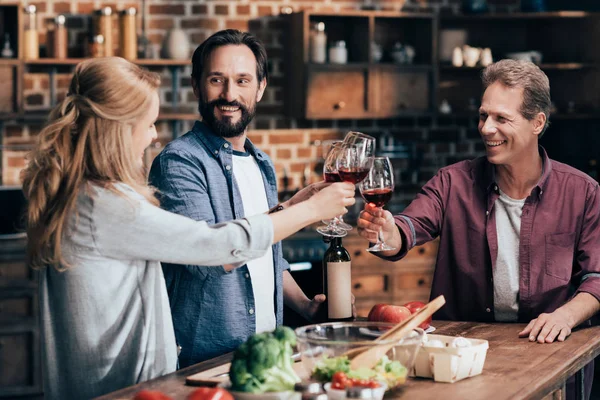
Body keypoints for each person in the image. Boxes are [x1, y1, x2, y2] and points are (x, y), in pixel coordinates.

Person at [20, 57, 355, 400]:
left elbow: (211, 237)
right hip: (118, 390)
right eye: (149, 124)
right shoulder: (104, 204)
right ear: (118, 130)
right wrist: (312, 210)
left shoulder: (86, 194)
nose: (153, 137)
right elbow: (215, 245)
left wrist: (290, 208)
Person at [357, 59, 600, 399]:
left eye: (502, 118)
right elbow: (408, 227)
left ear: (537, 123)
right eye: (484, 116)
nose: (486, 128)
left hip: (552, 356)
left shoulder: (583, 192)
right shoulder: (452, 182)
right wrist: (385, 231)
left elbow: (596, 277)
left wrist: (565, 316)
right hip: (462, 361)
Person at [149, 29, 348, 368]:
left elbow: (264, 250)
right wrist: (310, 210)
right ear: (196, 85)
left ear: (260, 88)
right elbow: (209, 258)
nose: (229, 94)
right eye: (217, 79)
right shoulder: (179, 162)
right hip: (206, 362)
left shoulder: (261, 163)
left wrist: (305, 305)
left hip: (267, 353)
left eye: (242, 81)